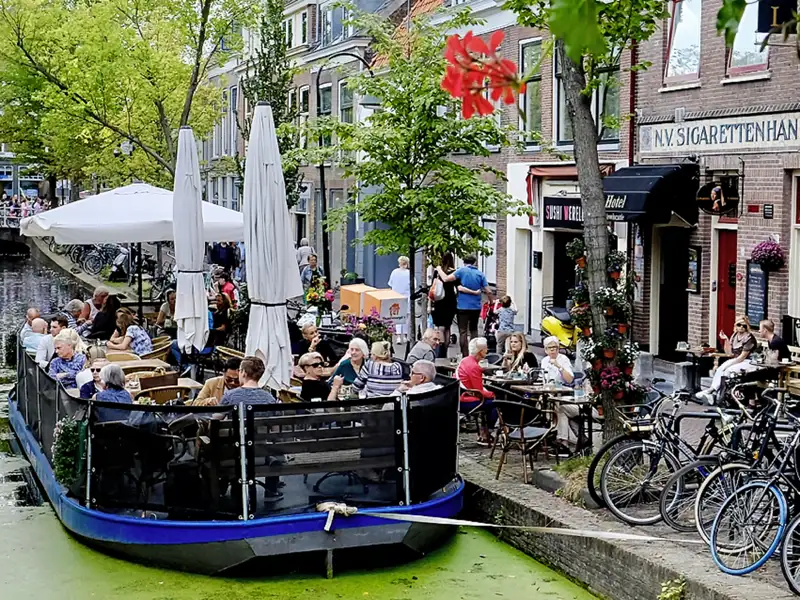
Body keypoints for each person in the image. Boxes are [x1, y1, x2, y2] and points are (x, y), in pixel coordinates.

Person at [438, 256, 494, 357]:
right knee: (474, 330)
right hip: (476, 307)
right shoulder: (480, 274)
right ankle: (475, 353)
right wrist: (491, 302)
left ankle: (464, 355)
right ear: (475, 262)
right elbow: (489, 291)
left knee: (463, 331)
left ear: (464, 262)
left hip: (462, 306)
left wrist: (438, 269)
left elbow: (446, 279)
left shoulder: (461, 271)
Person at [696, 315, 757, 404]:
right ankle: (712, 392)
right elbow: (729, 353)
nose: (741, 327)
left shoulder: (749, 338)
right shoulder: (734, 336)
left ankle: (714, 393)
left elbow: (742, 357)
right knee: (720, 368)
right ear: (735, 325)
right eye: (739, 325)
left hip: (748, 361)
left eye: (744, 326)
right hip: (736, 359)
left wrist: (729, 364)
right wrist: (726, 340)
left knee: (728, 370)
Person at [456, 337, 496, 445]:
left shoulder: (465, 361)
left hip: (459, 396)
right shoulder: (474, 366)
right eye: (486, 348)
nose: (487, 350)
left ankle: (484, 432)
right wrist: (493, 394)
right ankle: (487, 434)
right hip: (466, 400)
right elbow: (479, 391)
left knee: (491, 401)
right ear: (480, 351)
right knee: (495, 404)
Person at [431, 252, 458, 358]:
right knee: (447, 327)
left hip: (440, 300)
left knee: (441, 327)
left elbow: (433, 286)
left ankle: (440, 352)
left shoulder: (437, 271)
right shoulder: (455, 272)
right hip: (451, 301)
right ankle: (445, 351)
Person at [388, 256, 415, 342]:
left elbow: (391, 284)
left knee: (397, 315)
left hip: (396, 296)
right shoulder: (409, 273)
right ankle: (406, 335)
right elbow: (414, 285)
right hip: (407, 296)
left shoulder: (394, 272)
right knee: (407, 316)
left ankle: (398, 336)